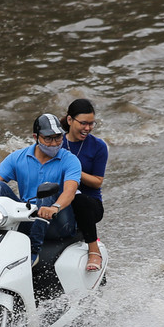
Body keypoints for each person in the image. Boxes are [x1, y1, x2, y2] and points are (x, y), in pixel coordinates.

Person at [0, 114, 82, 267]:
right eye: (48, 138)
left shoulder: (70, 160)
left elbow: (69, 192)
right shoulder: (17, 157)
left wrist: (54, 208)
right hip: (28, 218)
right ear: (36, 137)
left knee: (47, 189)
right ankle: (2, 245)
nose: (54, 143)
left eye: (58, 138)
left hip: (58, 221)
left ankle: (33, 251)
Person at [60, 98, 109, 271]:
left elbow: (97, 182)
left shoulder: (98, 146)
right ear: (69, 120)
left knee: (79, 199)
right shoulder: (55, 143)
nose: (87, 128)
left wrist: (73, 171)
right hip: (59, 199)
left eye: (91, 124)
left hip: (89, 203)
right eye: (83, 123)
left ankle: (93, 250)